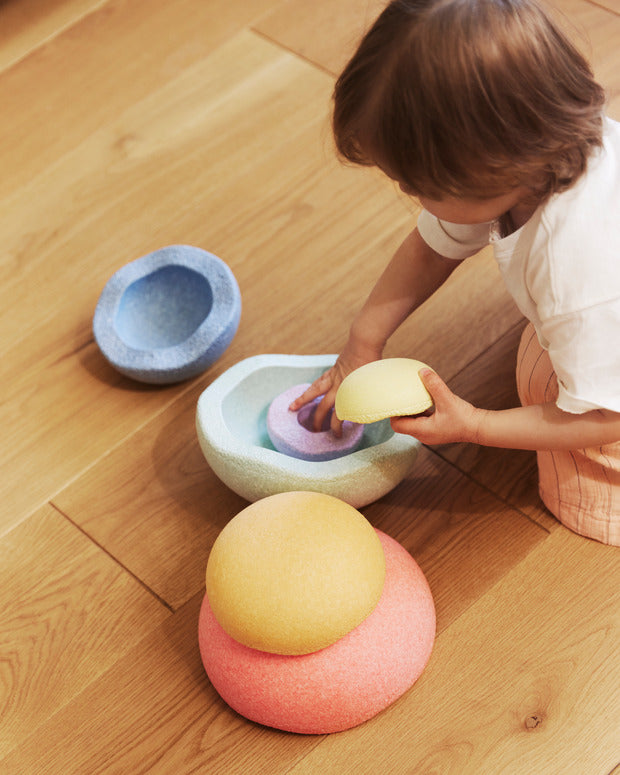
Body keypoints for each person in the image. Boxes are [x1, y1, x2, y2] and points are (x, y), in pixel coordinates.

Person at [289, 0, 620, 544]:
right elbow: (428, 248)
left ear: (493, 170)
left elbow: (606, 415)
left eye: (419, 187)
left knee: (551, 402)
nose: (410, 197)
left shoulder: (575, 273)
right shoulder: (531, 162)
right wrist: (361, 343)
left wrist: (476, 425)